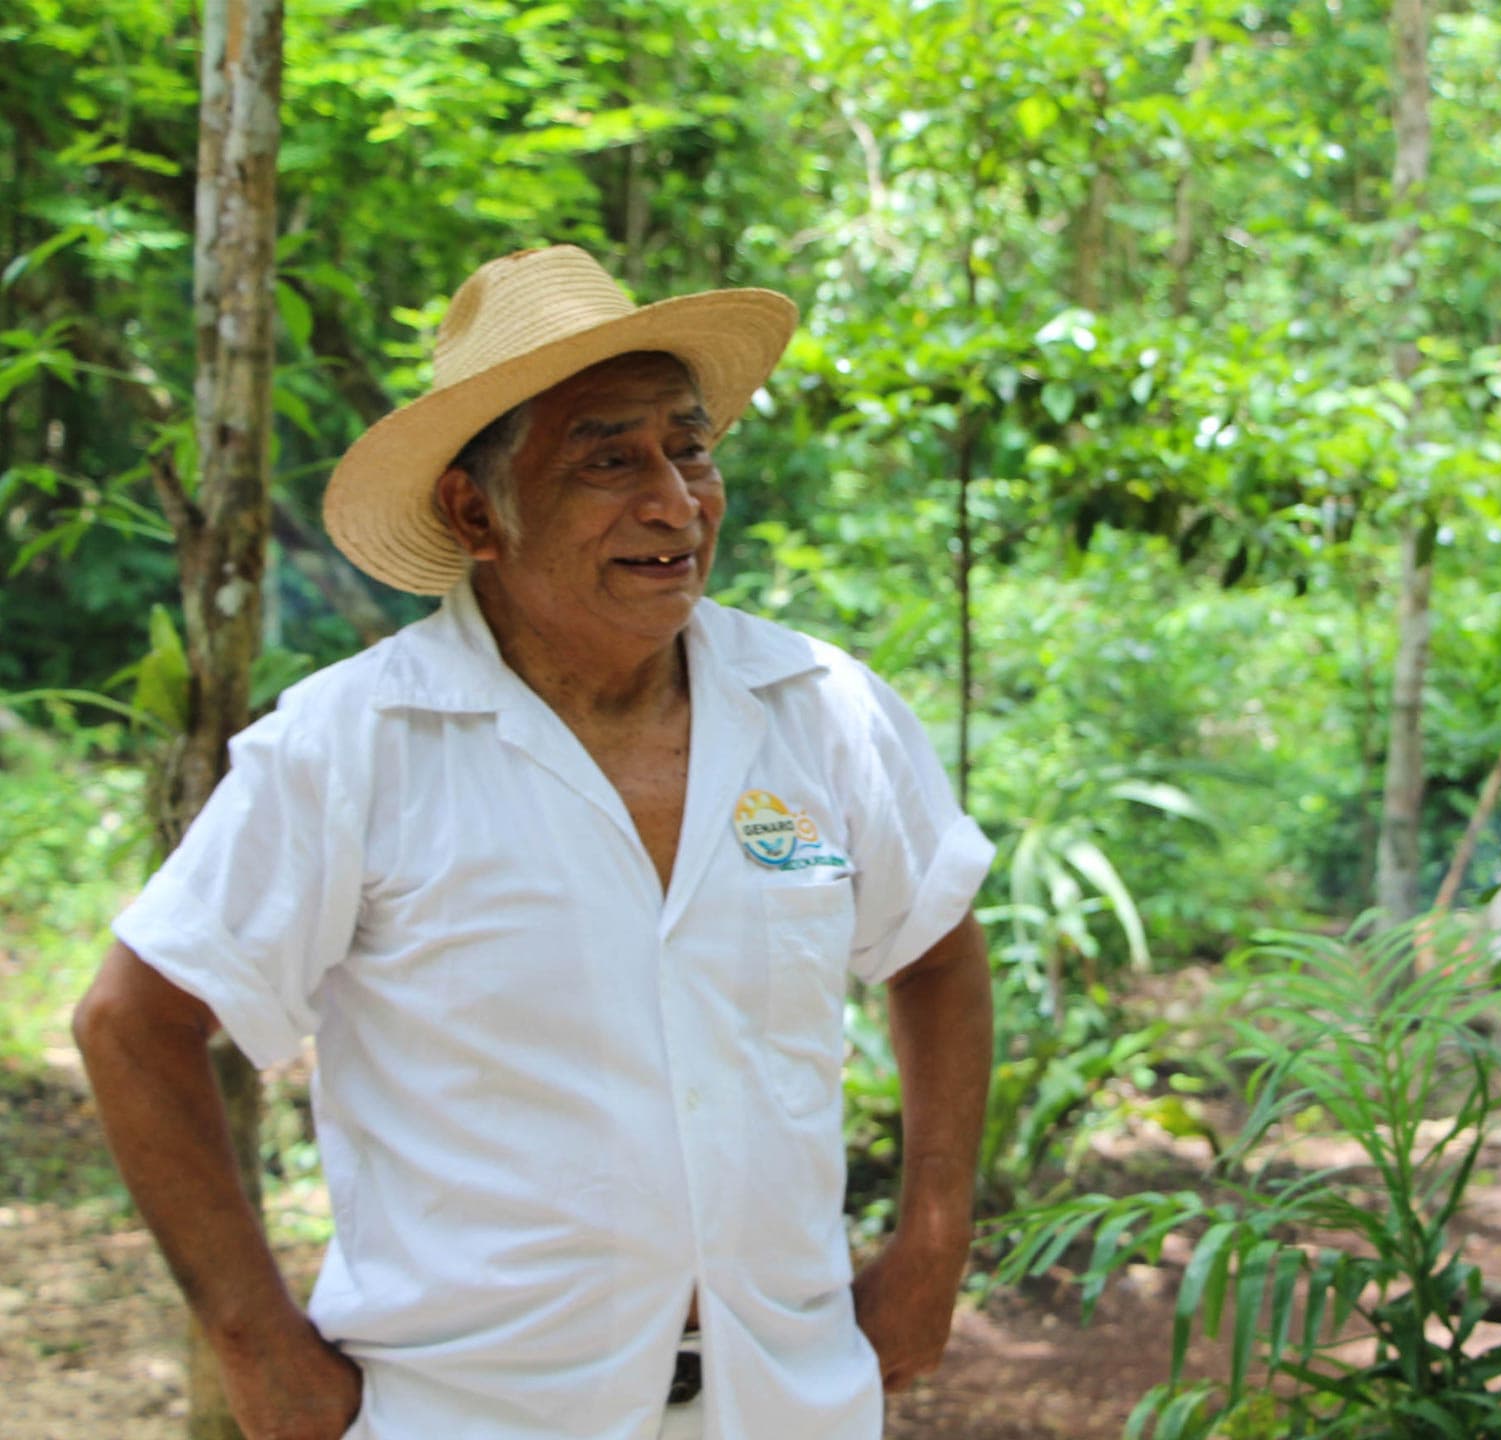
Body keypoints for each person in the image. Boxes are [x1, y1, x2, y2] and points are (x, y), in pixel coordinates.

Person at [72, 245, 996, 1440]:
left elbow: (936, 952)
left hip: (790, 1401)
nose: (675, 500)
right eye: (608, 457)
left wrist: (932, 1242)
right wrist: (259, 1351)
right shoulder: (358, 745)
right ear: (476, 510)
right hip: (469, 1415)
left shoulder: (819, 709)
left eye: (690, 445)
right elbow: (132, 1023)